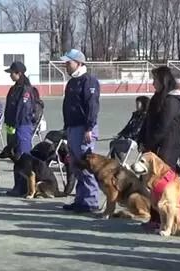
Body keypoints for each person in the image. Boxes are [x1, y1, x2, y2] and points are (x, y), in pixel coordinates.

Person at [59, 49, 101, 213]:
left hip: (84, 128)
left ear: (79, 63)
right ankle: (81, 199)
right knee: (76, 165)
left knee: (87, 164)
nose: (66, 66)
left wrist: (89, 127)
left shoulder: (89, 81)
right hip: (72, 127)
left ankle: (91, 201)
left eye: (68, 63)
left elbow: (92, 106)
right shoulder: (71, 82)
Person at [141, 66, 180, 169]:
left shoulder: (172, 101)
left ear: (163, 81)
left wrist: (148, 144)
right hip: (155, 148)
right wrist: (141, 139)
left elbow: (162, 127)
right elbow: (148, 120)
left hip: (166, 150)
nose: (153, 83)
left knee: (161, 181)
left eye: (155, 80)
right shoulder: (157, 98)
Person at [0, 62, 36, 159]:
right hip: (12, 125)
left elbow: (24, 109)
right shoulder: (14, 88)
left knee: (23, 155)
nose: (10, 75)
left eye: (12, 73)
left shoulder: (26, 89)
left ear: (19, 73)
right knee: (14, 154)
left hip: (22, 124)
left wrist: (17, 124)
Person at [109, 96, 150, 161]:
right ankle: (118, 161)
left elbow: (137, 130)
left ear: (144, 104)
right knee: (113, 143)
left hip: (136, 140)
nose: (136, 105)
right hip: (128, 137)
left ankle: (119, 162)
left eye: (138, 103)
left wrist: (125, 136)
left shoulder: (145, 116)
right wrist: (120, 134)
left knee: (115, 144)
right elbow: (127, 127)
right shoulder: (135, 115)